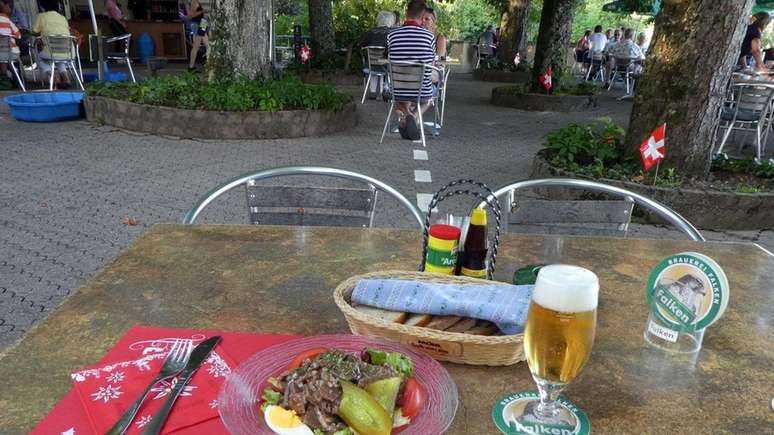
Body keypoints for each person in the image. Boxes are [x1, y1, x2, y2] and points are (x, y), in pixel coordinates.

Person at [387, 0, 435, 140]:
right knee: (429, 98)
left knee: (400, 95)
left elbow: (389, 59)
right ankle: (412, 117)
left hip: (398, 89)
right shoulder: (429, 37)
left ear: (406, 14)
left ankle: (405, 119)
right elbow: (431, 65)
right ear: (422, 17)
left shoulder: (392, 36)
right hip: (421, 90)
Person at [33, 0, 72, 88]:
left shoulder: (41, 16)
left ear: (42, 7)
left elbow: (35, 31)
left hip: (50, 51)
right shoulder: (63, 18)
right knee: (58, 58)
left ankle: (54, 77)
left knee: (39, 57)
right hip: (67, 53)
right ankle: (66, 79)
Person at [360, 10, 395, 98]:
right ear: (391, 21)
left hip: (371, 66)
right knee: (389, 62)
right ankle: (386, 89)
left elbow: (361, 45)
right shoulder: (392, 33)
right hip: (386, 66)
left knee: (374, 67)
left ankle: (373, 91)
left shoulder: (370, 32)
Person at [0, 0, 21, 89]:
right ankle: (14, 78)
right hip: (12, 53)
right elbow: (19, 35)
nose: (10, 8)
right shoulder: (8, 20)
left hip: (2, 54)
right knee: (6, 58)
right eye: (9, 6)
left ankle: (6, 78)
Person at [187, 0, 208, 72]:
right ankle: (191, 67)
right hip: (198, 24)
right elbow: (191, 15)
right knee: (196, 46)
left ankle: (210, 64)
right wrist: (202, 11)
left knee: (208, 45)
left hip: (202, 23)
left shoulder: (195, 2)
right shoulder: (193, 1)